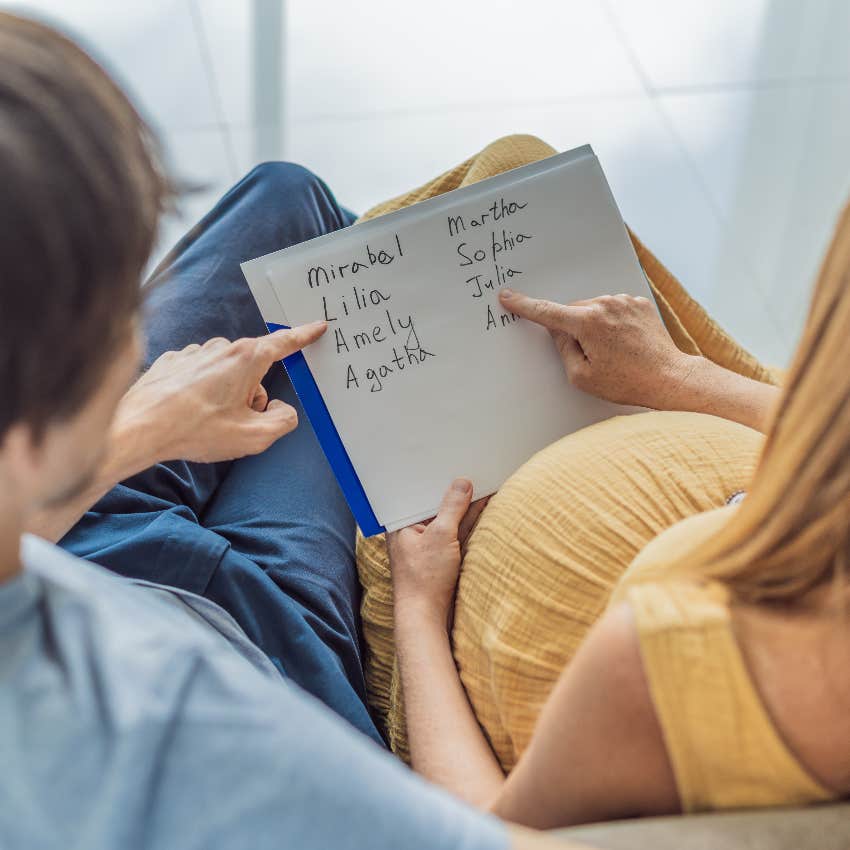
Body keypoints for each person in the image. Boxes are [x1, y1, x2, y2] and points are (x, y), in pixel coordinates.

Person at [0, 13, 579, 849]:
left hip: (72, 524)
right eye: (121, 316)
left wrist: (136, 432)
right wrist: (417, 610)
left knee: (288, 199)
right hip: (272, 638)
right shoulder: (215, 734)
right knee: (323, 269)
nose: (140, 338)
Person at [386, 233, 850, 826]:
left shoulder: (673, 656)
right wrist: (677, 375)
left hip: (452, 593)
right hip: (716, 432)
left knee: (304, 227)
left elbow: (484, 832)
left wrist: (418, 608)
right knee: (523, 185)